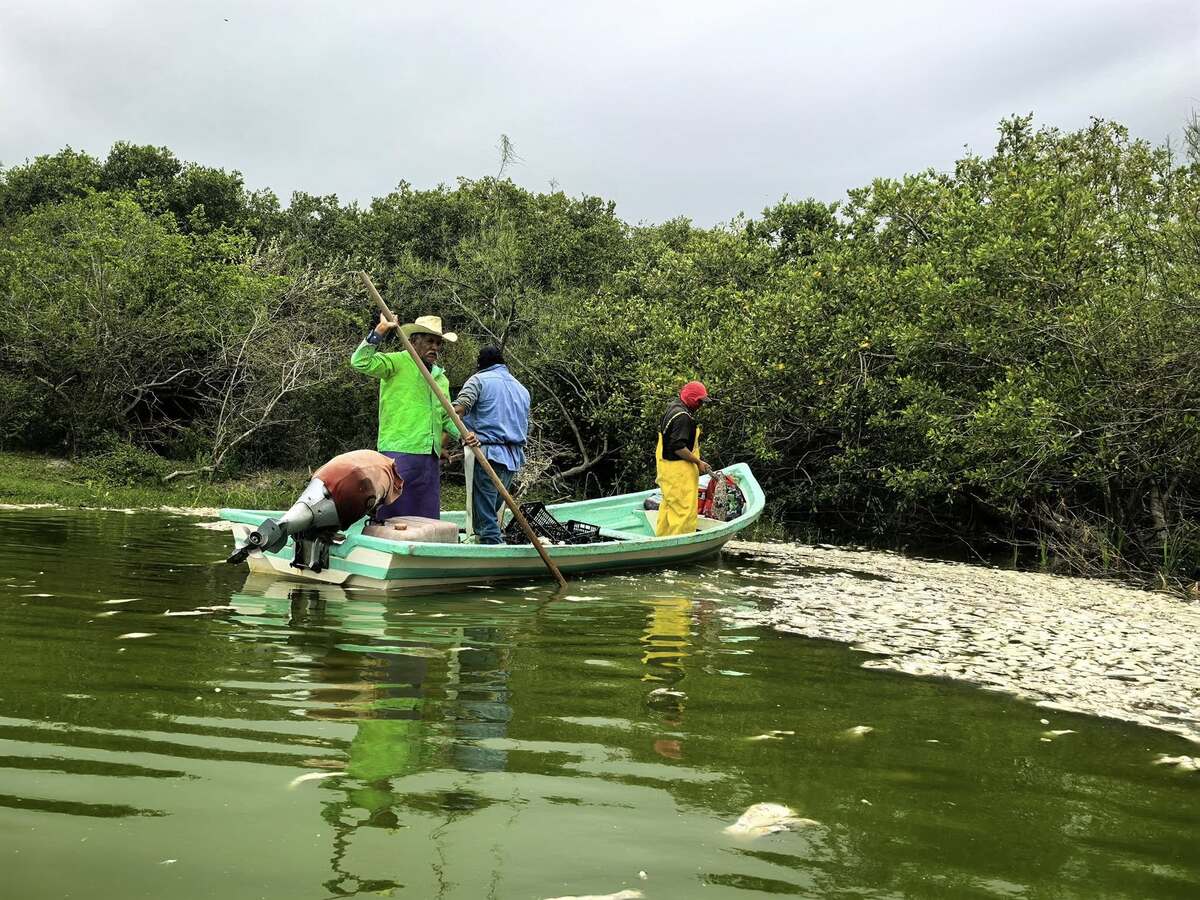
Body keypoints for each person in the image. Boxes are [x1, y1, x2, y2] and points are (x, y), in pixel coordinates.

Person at [350, 314, 468, 520]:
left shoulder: (440, 378)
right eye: (429, 341)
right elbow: (360, 361)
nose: (435, 347)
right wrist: (380, 330)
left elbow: (445, 416)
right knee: (392, 512)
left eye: (438, 343)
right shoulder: (396, 362)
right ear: (413, 341)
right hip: (399, 450)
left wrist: (464, 435)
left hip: (429, 456)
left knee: (425, 517)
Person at [453, 345, 531, 544]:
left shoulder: (478, 380)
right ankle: (487, 541)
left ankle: (492, 547)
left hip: (487, 454)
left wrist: (457, 436)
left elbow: (457, 410)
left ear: (479, 364)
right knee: (491, 510)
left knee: (485, 517)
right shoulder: (522, 389)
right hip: (513, 457)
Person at [654, 380, 713, 537]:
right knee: (683, 511)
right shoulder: (683, 418)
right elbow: (678, 447)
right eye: (699, 401)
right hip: (678, 471)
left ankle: (662, 541)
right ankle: (679, 545)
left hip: (666, 468)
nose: (700, 405)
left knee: (669, 506)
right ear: (692, 398)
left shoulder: (672, 408)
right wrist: (698, 462)